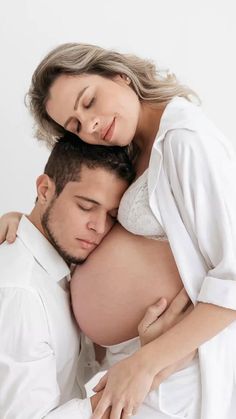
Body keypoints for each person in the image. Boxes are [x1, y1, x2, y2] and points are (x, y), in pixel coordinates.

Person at [1, 42, 236, 418]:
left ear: (119, 74)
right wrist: (25, 219)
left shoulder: (184, 140)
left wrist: (145, 363)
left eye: (89, 101)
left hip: (173, 370)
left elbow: (233, 277)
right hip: (136, 358)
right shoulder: (133, 144)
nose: (90, 125)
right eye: (75, 125)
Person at [0, 135, 135, 418]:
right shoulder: (22, 294)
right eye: (86, 206)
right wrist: (133, 381)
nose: (98, 227)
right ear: (45, 189)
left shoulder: (60, 270)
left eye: (111, 215)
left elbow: (66, 368)